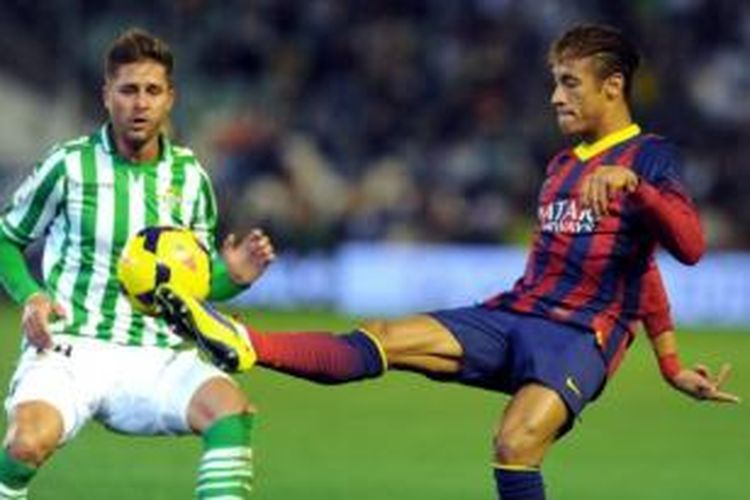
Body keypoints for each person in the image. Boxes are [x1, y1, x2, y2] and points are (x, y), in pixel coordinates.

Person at [155, 24, 739, 499]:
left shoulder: (650, 156)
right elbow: (641, 266)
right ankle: (244, 343)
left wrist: (636, 188)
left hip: (582, 336)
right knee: (386, 336)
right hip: (516, 313)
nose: (555, 97)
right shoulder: (562, 167)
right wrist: (669, 362)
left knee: (514, 444)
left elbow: (685, 249)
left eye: (569, 83)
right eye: (554, 83)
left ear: (613, 87)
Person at [0, 29, 274, 499]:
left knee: (230, 411)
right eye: (128, 90)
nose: (140, 103)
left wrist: (234, 278)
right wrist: (31, 296)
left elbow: (193, 285)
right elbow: (6, 239)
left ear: (171, 98)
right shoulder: (69, 166)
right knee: (25, 444)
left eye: (152, 91)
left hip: (155, 356)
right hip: (70, 348)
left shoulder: (190, 178)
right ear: (107, 96)